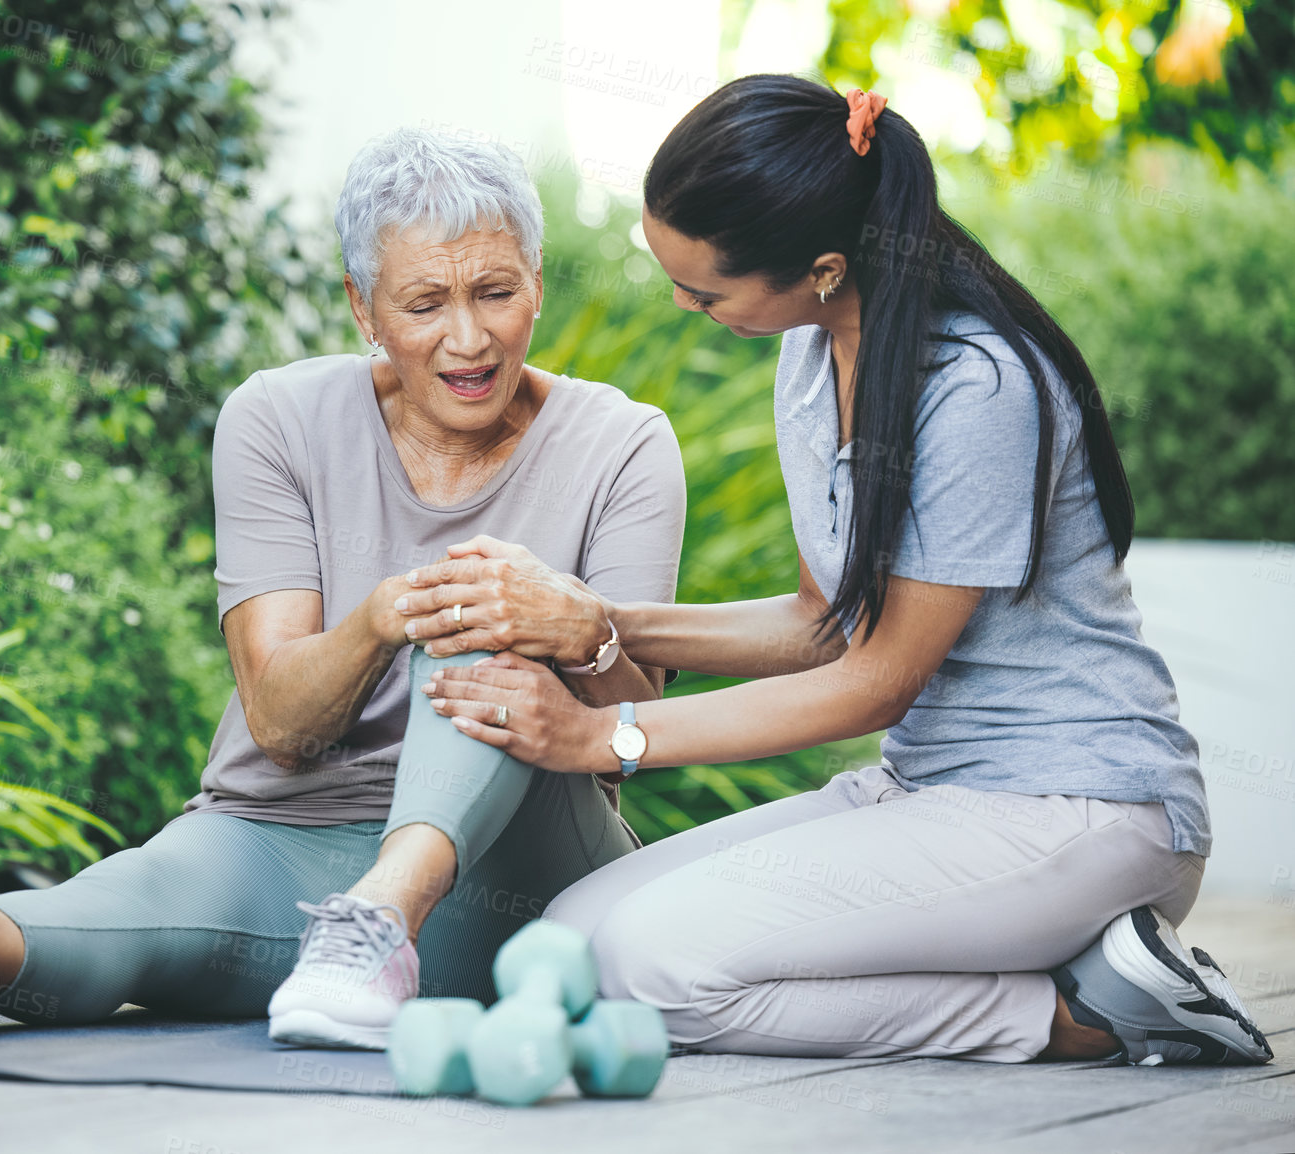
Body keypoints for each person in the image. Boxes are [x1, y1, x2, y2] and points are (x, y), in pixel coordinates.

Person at [406, 76, 1273, 1067]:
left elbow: (878, 676)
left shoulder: (977, 385)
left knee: (646, 966)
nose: (685, 306)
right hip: (931, 792)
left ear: (820, 267)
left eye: (705, 290)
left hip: (1080, 809)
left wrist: (604, 732)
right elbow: (827, 620)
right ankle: (1093, 966)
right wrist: (595, 621)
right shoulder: (812, 355)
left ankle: (1086, 1011)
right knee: (569, 936)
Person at [0, 126, 686, 1048]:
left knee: (486, 603)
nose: (468, 339)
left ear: (535, 280)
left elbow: (628, 737)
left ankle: (379, 920)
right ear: (362, 309)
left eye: (495, 293)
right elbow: (281, 724)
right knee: (134, 911)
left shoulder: (622, 445)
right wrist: (378, 621)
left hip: (523, 861)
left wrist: (572, 630)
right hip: (283, 832)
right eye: (424, 304)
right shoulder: (279, 419)